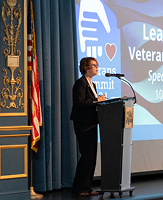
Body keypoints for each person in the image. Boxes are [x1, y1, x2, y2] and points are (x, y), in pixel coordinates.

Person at [70, 57, 106, 196]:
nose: (97, 67)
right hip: (83, 124)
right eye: (94, 65)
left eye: (97, 65)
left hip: (92, 123)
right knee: (87, 156)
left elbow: (92, 103)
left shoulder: (92, 84)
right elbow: (79, 103)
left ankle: (88, 187)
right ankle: (78, 189)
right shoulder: (80, 83)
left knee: (92, 157)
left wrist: (100, 102)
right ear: (86, 67)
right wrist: (97, 100)